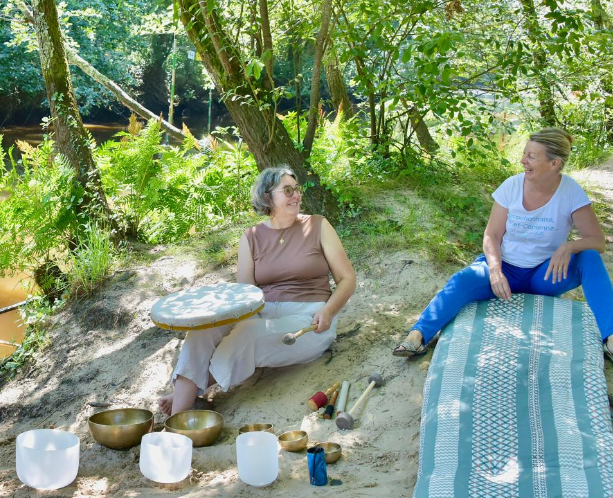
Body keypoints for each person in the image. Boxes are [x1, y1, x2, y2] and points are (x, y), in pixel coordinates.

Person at [393, 128, 613, 358]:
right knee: (462, 280)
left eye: (531, 156)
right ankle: (417, 337)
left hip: (545, 276)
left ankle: (611, 339)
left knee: (589, 257)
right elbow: (492, 235)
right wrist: (495, 271)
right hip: (504, 270)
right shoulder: (511, 186)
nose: (523, 160)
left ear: (554, 164)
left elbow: (597, 241)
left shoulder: (571, 192)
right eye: (524, 153)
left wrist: (569, 246)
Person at [158, 166, 356, 415]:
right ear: (267, 197)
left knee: (247, 333)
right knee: (201, 332)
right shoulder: (251, 237)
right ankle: (181, 412)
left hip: (310, 320)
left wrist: (329, 311)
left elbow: (347, 278)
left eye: (297, 189)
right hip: (262, 313)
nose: (296, 195)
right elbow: (245, 296)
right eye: (287, 190)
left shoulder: (318, 226)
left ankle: (184, 401)